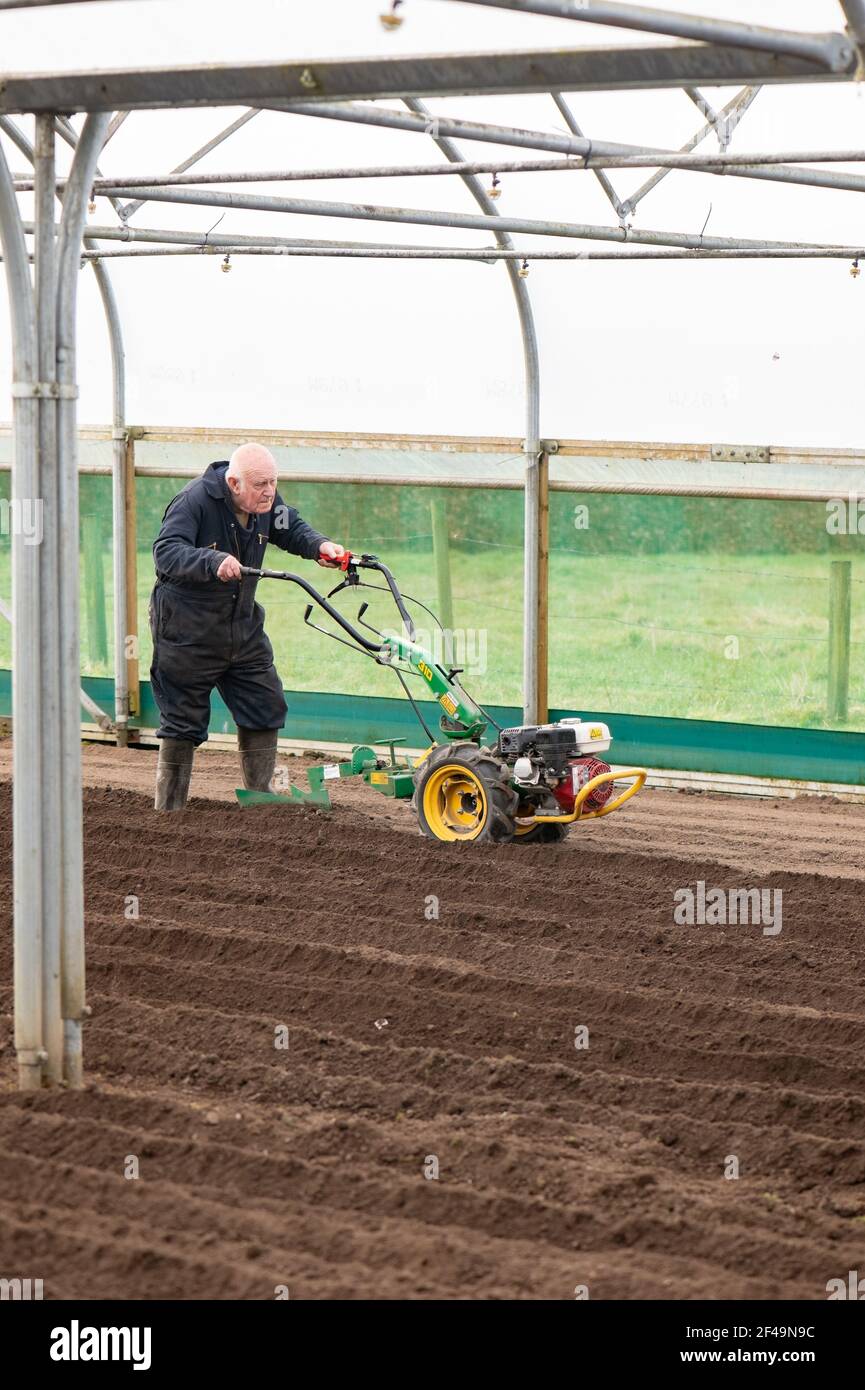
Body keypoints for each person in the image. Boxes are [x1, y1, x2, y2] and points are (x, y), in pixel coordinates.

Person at [149, 441, 345, 810]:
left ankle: (260, 802)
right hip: (187, 629)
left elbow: (291, 528)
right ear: (234, 483)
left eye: (273, 482)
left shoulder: (267, 502)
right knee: (182, 718)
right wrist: (211, 560)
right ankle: (169, 812)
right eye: (260, 485)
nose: (269, 491)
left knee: (263, 700)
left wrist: (320, 546)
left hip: (241, 624)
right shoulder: (193, 502)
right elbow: (166, 552)